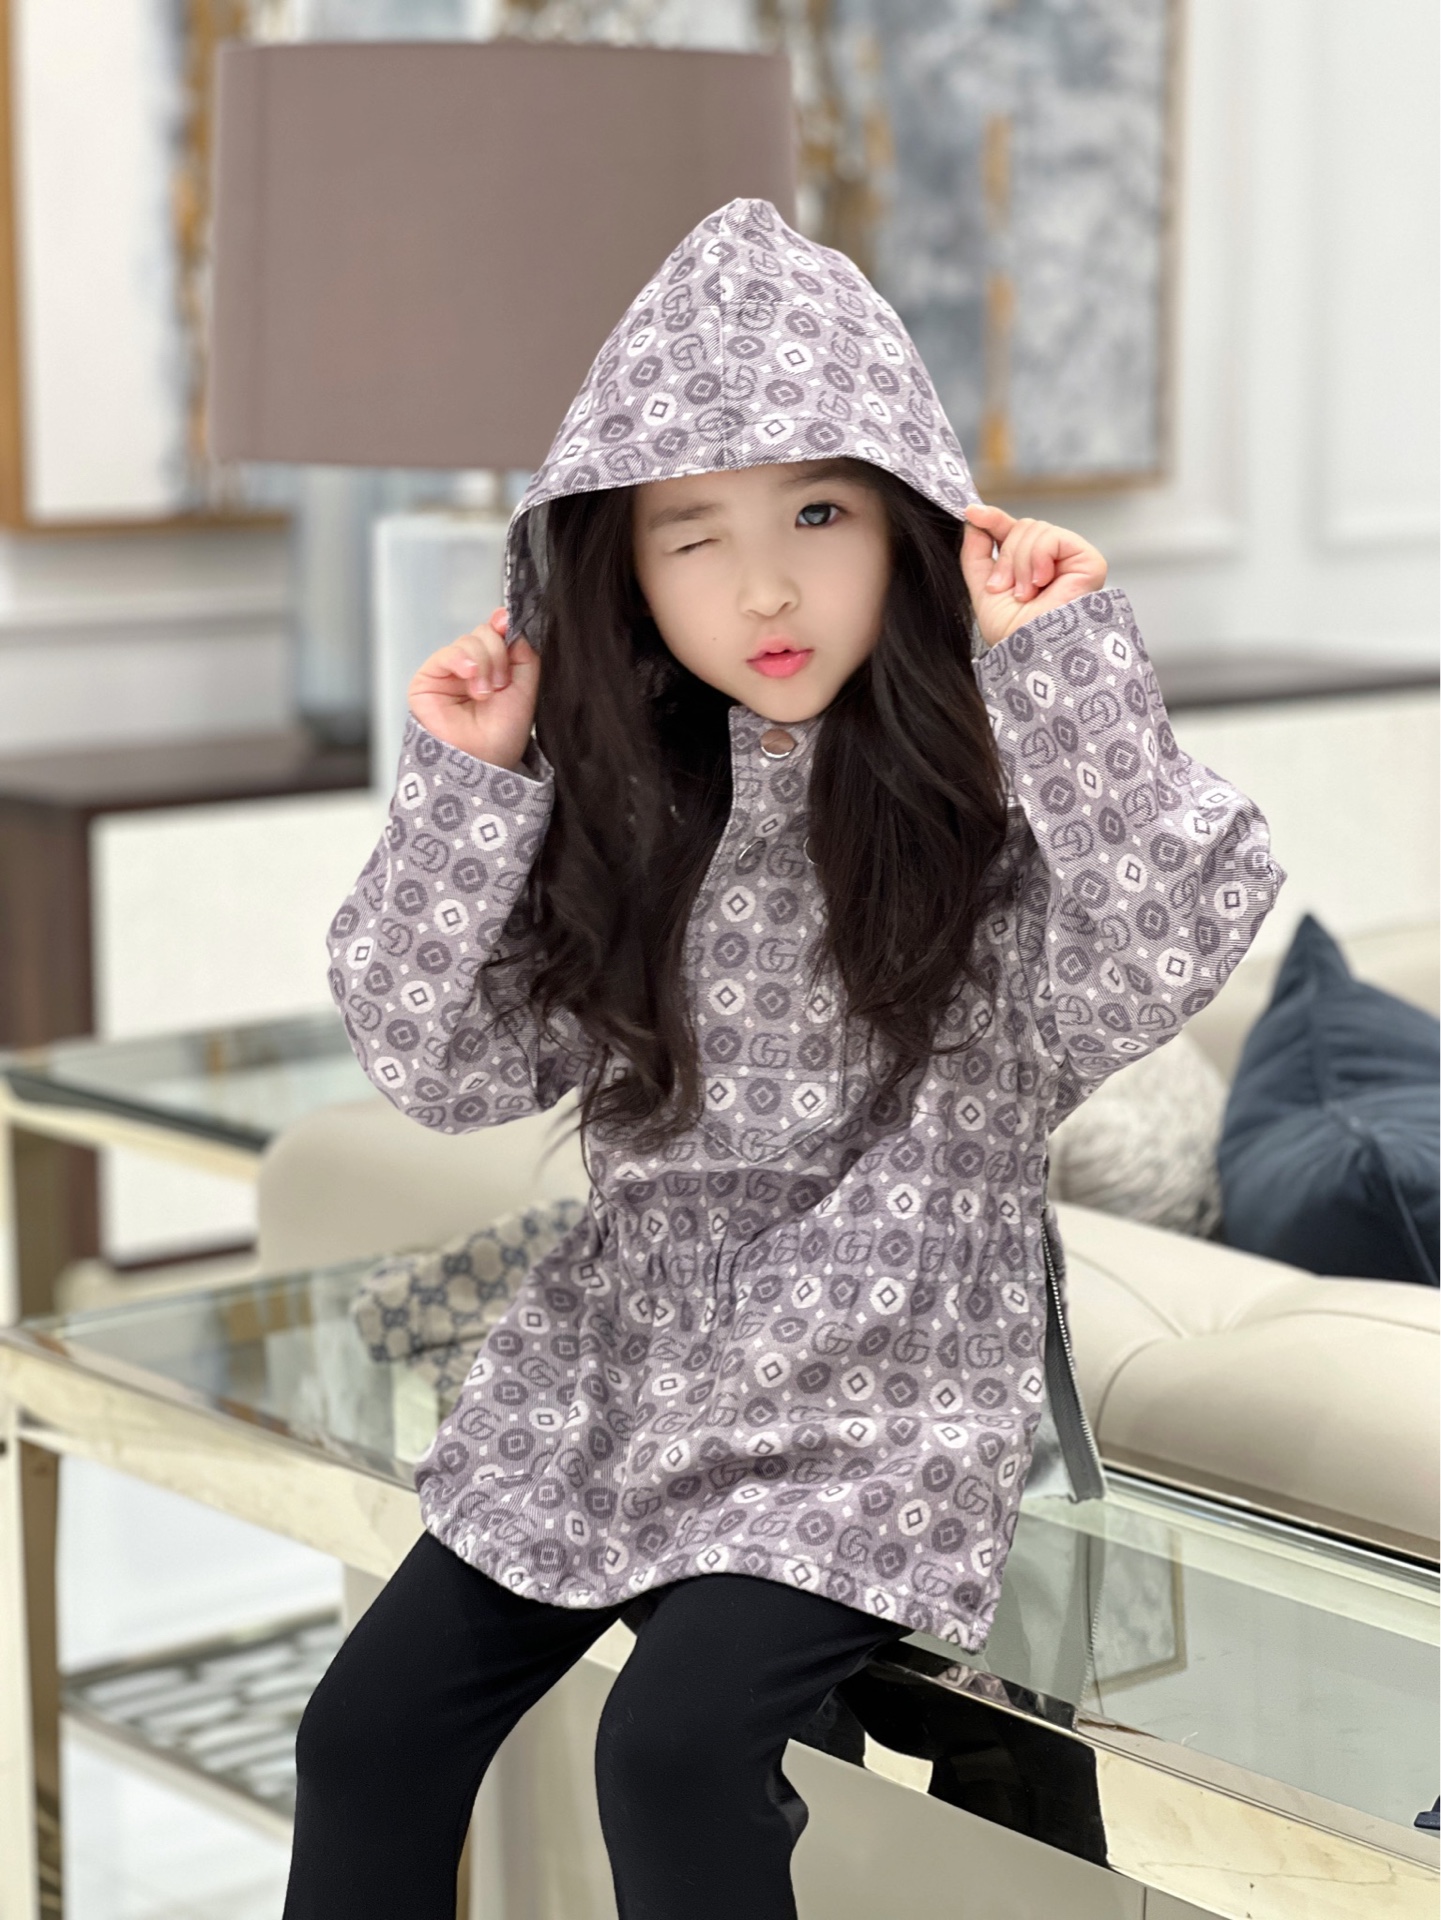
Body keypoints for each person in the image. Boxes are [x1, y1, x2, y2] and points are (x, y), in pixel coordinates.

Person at [284, 198, 1281, 1919]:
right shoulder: (623, 815)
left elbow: (1174, 930)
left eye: (818, 513)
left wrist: (1064, 676)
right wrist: (464, 788)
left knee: (668, 1754)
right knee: (362, 1737)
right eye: (692, 535)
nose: (763, 588)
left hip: (882, 1391)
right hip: (620, 1363)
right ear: (616, 569)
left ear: (907, 525)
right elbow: (440, 1065)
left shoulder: (989, 821)